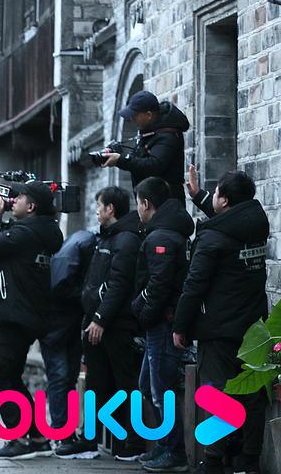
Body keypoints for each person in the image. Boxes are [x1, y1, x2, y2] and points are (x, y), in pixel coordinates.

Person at [174, 171, 269, 474]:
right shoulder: (255, 226)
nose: (213, 196)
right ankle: (250, 460)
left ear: (225, 200)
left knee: (216, 394)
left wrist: (180, 326)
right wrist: (199, 196)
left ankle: (213, 460)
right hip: (254, 326)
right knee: (252, 393)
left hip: (218, 329)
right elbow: (229, 222)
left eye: (215, 193)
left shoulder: (212, 238)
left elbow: (194, 285)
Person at [0, 181, 63, 460]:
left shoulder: (25, 233)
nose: (12, 201)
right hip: (24, 313)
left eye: (19, 197)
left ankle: (21, 437)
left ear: (32, 206)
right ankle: (37, 437)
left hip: (16, 315)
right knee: (9, 376)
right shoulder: (39, 232)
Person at [130, 177, 193, 472]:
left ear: (146, 203)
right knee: (147, 384)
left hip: (163, 324)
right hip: (160, 322)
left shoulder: (161, 238)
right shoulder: (167, 232)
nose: (137, 209)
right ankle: (165, 444)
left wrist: (143, 314)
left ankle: (175, 452)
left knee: (160, 390)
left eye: (137, 203)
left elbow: (159, 285)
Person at [79, 185, 143, 462]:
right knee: (96, 382)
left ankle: (131, 443)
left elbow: (119, 284)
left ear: (110, 209)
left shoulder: (126, 240)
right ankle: (89, 441)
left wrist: (100, 319)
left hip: (116, 325)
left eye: (99, 205)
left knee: (124, 383)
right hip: (97, 323)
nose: (96, 211)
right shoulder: (107, 237)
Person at [45, 225, 97, 459]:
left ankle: (63, 432)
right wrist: (85, 294)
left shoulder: (76, 244)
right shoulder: (85, 245)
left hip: (61, 325)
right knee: (62, 377)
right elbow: (60, 286)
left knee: (65, 378)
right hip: (58, 326)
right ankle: (61, 432)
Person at [100, 90, 189, 203]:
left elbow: (154, 165)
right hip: (152, 202)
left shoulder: (168, 135)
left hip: (166, 204)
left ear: (149, 115)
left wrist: (120, 159)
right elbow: (140, 161)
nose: (132, 119)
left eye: (135, 115)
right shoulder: (149, 132)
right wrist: (119, 154)